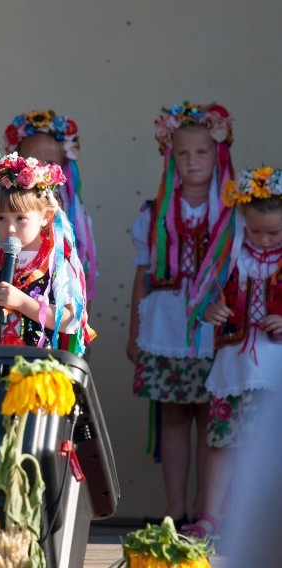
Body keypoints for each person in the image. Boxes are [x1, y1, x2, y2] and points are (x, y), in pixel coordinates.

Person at [126, 102, 234, 527]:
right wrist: (134, 330)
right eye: (182, 153)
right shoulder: (154, 214)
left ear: (219, 154)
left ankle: (209, 509)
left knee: (211, 416)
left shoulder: (232, 213)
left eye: (202, 152)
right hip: (166, 324)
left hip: (215, 332)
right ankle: (175, 506)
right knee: (173, 415)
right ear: (169, 155)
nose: (192, 162)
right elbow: (142, 274)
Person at [181, 167, 282, 539]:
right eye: (256, 231)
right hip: (234, 367)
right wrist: (210, 310)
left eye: (274, 232)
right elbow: (205, 297)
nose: (264, 239)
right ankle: (211, 515)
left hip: (275, 370)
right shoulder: (230, 255)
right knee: (222, 441)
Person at [0, 153, 91, 356]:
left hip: (38, 374)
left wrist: (22, 303)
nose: (10, 228)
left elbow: (71, 321)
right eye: (1, 218)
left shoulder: (57, 266)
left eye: (20, 218)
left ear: (46, 217)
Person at [0, 109, 97, 299]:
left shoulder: (76, 217)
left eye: (49, 163)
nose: (39, 169)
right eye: (32, 161)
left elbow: (85, 273)